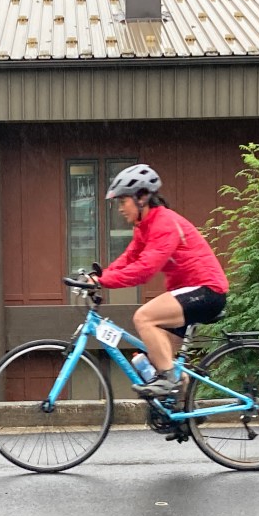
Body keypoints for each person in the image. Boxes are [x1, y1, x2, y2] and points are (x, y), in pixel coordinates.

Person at [94, 164, 229, 398]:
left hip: (207, 291)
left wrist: (104, 281)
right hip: (188, 293)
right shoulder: (144, 227)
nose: (120, 209)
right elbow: (129, 258)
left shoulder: (164, 223)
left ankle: (169, 380)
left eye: (123, 201)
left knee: (144, 317)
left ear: (142, 198)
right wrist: (100, 276)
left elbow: (144, 270)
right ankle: (181, 406)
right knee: (157, 358)